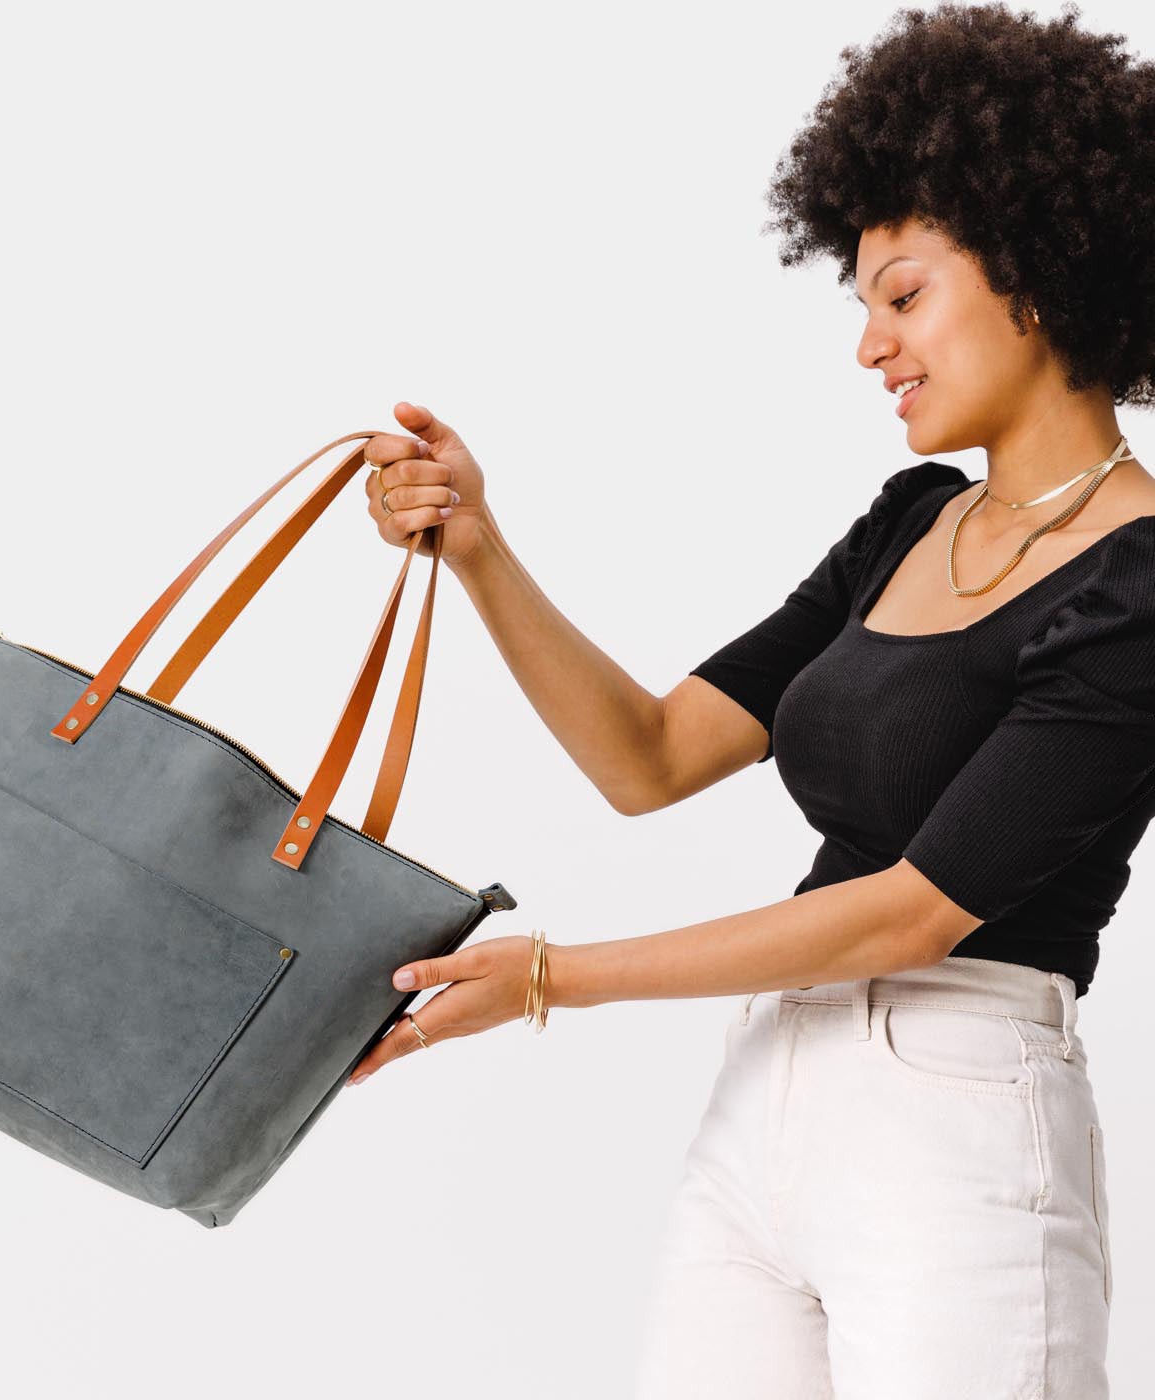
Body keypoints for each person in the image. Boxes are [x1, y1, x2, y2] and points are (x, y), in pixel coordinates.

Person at [345, 4, 1155, 1394]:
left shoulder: (1138, 584)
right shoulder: (909, 523)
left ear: (1033, 271)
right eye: (863, 308)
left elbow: (914, 910)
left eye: (902, 296)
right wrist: (477, 548)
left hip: (958, 1119)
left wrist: (553, 978)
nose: (870, 346)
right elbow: (650, 756)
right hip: (769, 1098)